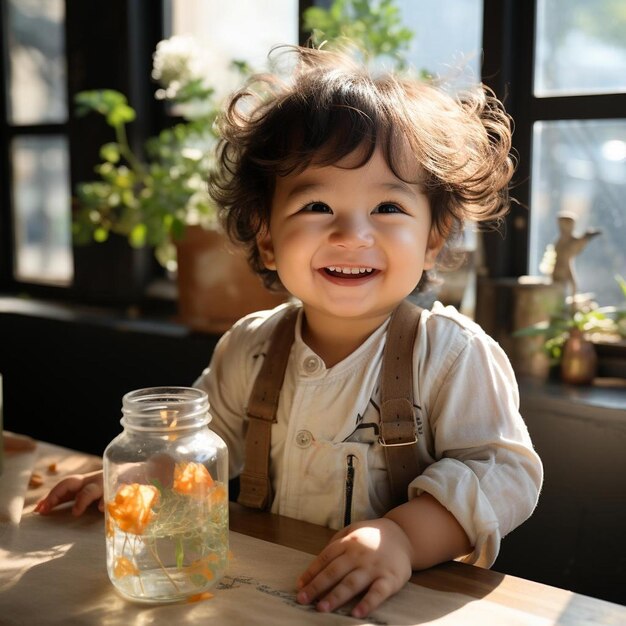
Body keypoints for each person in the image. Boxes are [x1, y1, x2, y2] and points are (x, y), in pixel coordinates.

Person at [36, 45, 543, 618]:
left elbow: (502, 473)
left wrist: (402, 537)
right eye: (318, 204)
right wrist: (146, 478)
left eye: (388, 208)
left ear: (434, 236)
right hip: (267, 592)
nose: (353, 234)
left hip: (393, 604)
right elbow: (206, 444)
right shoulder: (248, 348)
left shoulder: (451, 355)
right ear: (267, 237)